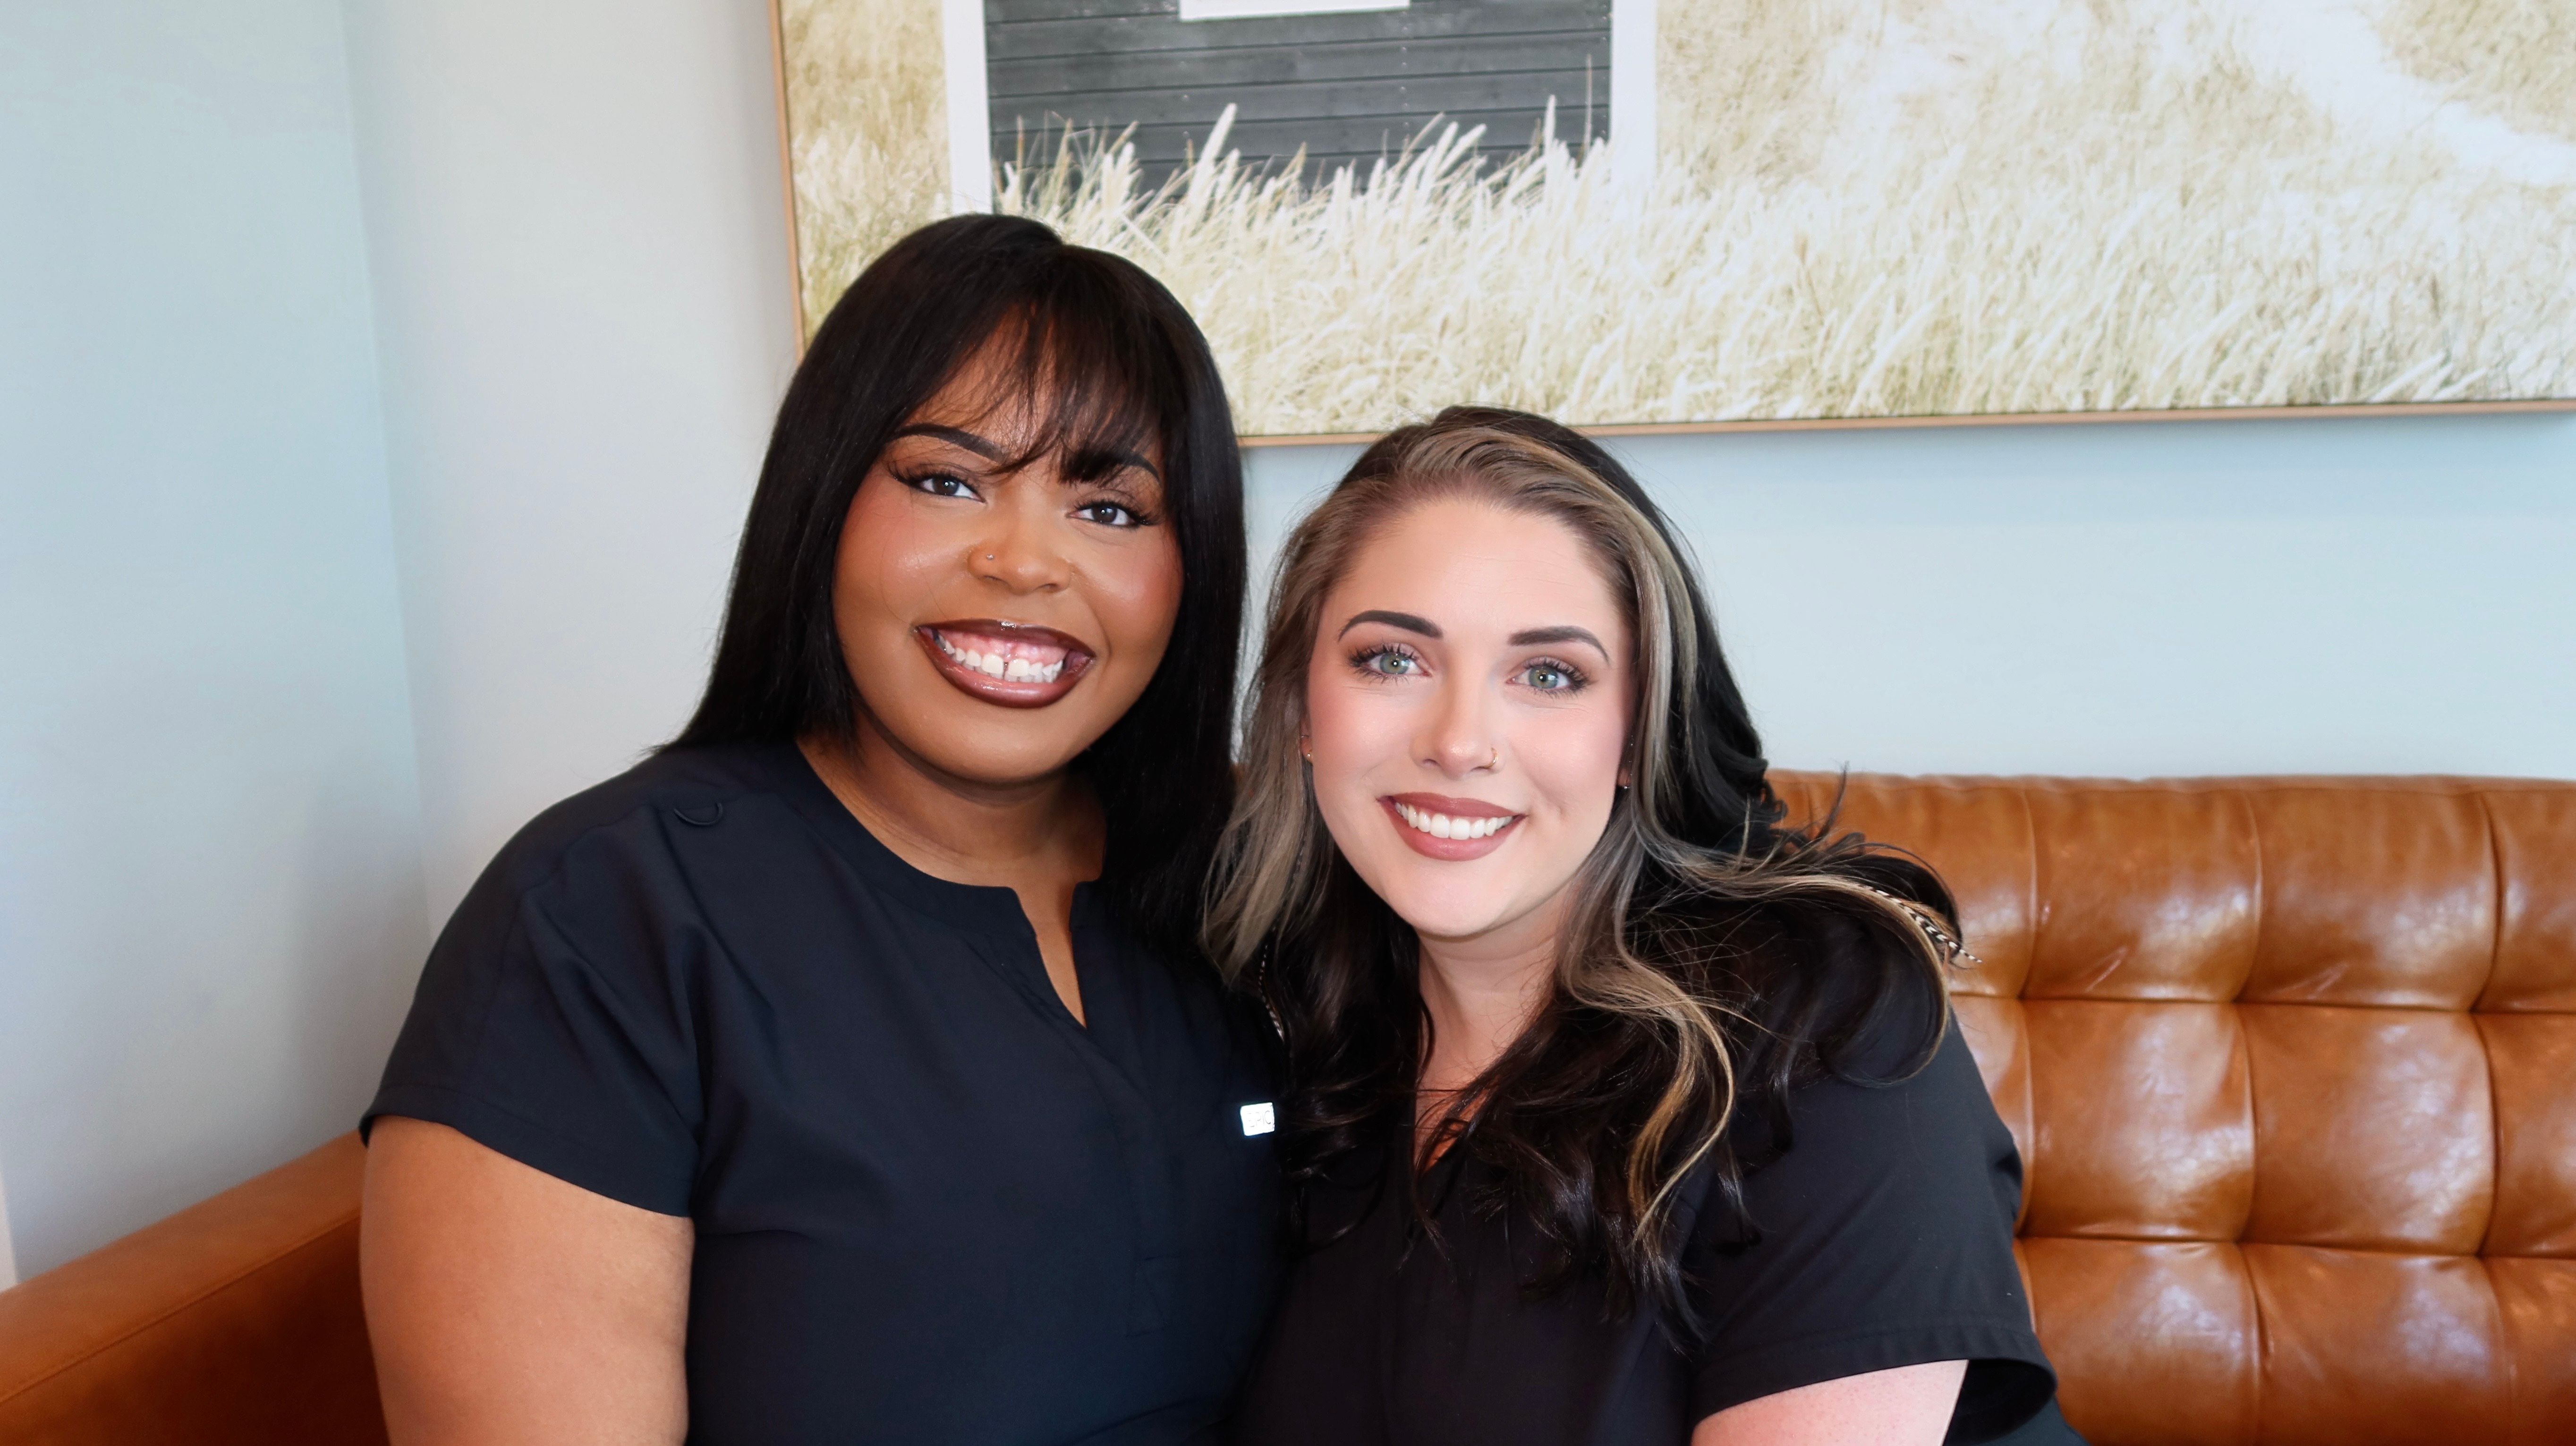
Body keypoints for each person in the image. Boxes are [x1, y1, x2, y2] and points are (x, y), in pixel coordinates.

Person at [358, 215, 1280, 1446]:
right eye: (946, 480)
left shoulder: (1259, 879)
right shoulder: (601, 917)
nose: (1024, 561)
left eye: (1111, 508)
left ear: (1193, 565)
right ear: (823, 501)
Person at [1207, 408, 2082, 1446]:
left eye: (1548, 675)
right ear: (1301, 710)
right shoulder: (1280, 1021)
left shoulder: (1827, 1029)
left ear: (1638, 734)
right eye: (1392, 659)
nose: (1460, 742)